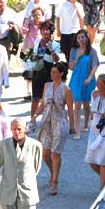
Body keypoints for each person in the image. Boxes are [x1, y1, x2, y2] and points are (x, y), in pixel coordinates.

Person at [36, 62, 72, 196]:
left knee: (55, 153)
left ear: (61, 74)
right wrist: (35, 116)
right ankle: (53, 172)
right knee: (45, 153)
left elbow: (70, 109)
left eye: (55, 72)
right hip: (47, 122)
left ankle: (55, 181)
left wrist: (72, 126)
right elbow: (43, 103)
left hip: (59, 122)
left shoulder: (66, 89)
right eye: (51, 72)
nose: (52, 74)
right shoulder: (47, 86)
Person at [28, 20, 62, 133]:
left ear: (51, 31)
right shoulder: (37, 41)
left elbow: (56, 60)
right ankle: (32, 121)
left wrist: (51, 49)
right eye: (43, 29)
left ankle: (49, 123)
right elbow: (34, 54)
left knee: (48, 99)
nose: (45, 32)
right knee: (35, 98)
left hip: (49, 72)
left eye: (47, 29)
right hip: (38, 71)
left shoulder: (56, 44)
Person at [68, 29, 98, 139]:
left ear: (87, 38)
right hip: (76, 79)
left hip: (88, 79)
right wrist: (78, 57)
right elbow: (71, 67)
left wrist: (90, 78)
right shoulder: (74, 51)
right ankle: (77, 131)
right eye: (79, 37)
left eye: (83, 37)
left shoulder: (92, 51)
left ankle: (86, 123)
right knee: (77, 104)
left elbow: (94, 66)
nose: (81, 39)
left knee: (86, 103)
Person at [55, 0, 84, 71]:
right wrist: (58, 30)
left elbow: (81, 17)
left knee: (75, 50)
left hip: (75, 31)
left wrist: (75, 5)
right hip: (65, 31)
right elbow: (58, 17)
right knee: (65, 49)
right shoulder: (63, 5)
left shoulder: (79, 5)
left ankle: (76, 66)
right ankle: (71, 65)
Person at [20, 5, 45, 101]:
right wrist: (26, 23)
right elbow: (23, 32)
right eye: (35, 15)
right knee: (29, 72)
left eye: (39, 15)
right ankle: (28, 92)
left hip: (40, 51)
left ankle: (40, 91)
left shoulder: (44, 25)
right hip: (29, 51)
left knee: (40, 72)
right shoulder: (30, 24)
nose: (37, 17)